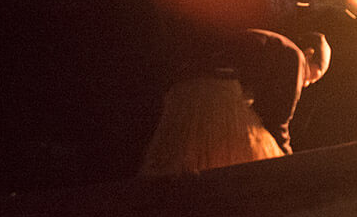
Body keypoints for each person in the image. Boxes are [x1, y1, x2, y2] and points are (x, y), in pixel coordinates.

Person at [139, 28, 330, 175]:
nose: (307, 84)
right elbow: (279, 117)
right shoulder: (295, 56)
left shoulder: (272, 44)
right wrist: (288, 161)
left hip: (183, 93)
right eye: (314, 76)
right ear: (309, 53)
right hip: (216, 97)